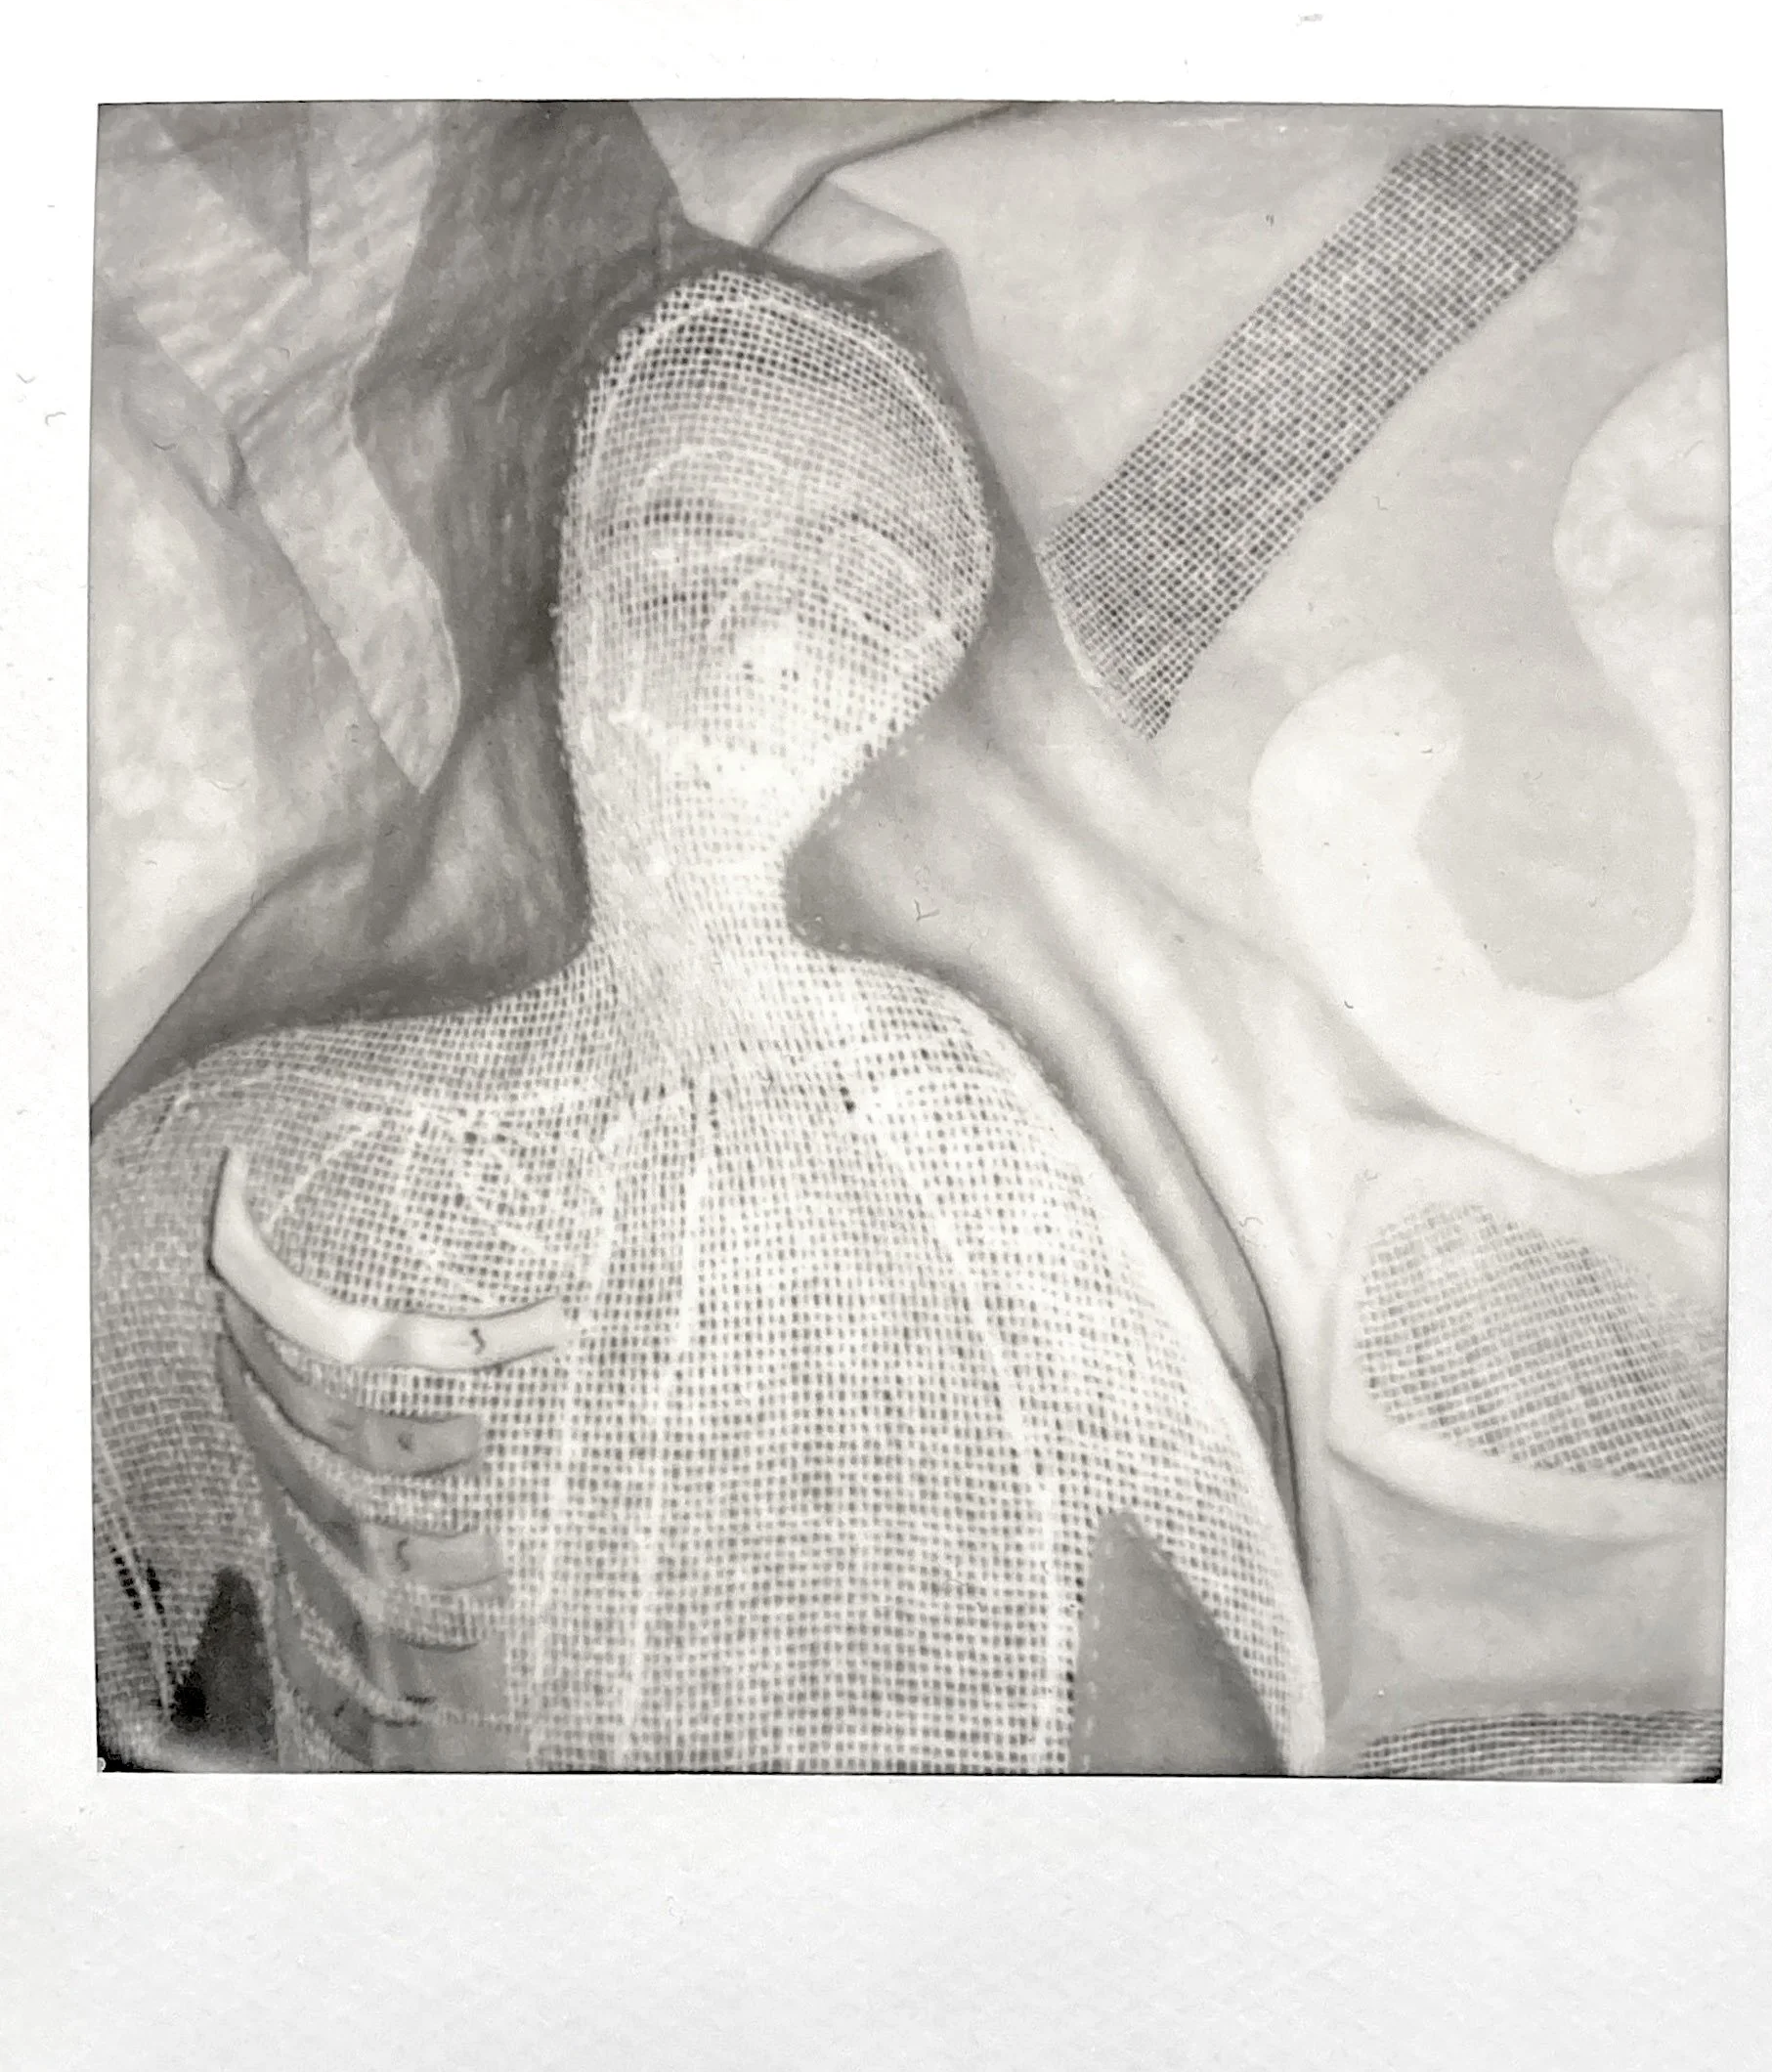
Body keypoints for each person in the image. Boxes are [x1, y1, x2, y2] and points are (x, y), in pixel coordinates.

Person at [91, 261, 1321, 1775]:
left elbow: (1173, 1687)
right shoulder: (242, 1156)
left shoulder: (949, 1121)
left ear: (933, 672)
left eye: (858, 593)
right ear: (560, 617)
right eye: (675, 561)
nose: (761, 642)